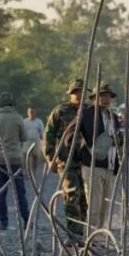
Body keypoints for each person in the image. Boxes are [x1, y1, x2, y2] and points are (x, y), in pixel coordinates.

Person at [73, 83, 122, 235]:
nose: (106, 99)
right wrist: (80, 155)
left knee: (105, 206)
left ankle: (99, 236)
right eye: (103, 96)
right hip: (92, 165)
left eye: (108, 96)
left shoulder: (113, 116)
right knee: (93, 204)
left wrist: (118, 140)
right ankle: (90, 236)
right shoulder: (86, 114)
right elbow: (73, 135)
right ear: (95, 98)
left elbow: (120, 137)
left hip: (111, 164)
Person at [44, 79, 89, 239]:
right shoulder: (60, 111)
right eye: (76, 92)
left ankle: (83, 230)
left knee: (85, 199)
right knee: (71, 195)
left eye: (82, 92)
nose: (79, 95)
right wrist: (50, 158)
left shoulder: (89, 111)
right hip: (66, 161)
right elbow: (49, 134)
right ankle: (73, 234)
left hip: (86, 161)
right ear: (70, 94)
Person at [0, 92, 30, 231]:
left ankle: (3, 222)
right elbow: (24, 137)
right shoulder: (18, 118)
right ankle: (26, 220)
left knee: (0, 193)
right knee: (20, 192)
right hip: (15, 159)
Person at [22, 107, 46, 184]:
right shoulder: (24, 122)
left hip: (36, 142)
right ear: (27, 113)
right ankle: (26, 172)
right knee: (25, 157)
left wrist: (44, 142)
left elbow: (42, 133)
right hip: (26, 142)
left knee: (35, 158)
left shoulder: (39, 122)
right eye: (30, 112)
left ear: (35, 112)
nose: (31, 113)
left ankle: (33, 172)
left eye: (32, 112)